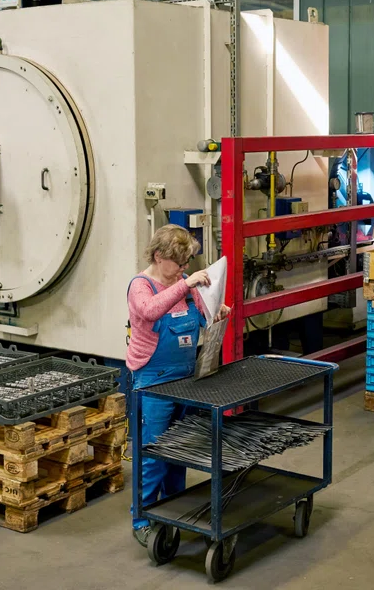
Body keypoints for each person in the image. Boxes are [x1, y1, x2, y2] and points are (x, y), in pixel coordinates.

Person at [127, 224, 230, 547]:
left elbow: (198, 320)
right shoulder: (141, 287)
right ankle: (142, 518)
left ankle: (174, 509)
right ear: (159, 256)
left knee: (179, 451)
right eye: (178, 263)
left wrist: (214, 311)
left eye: (187, 264)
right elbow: (150, 311)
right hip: (153, 381)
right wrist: (186, 283)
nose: (183, 269)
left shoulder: (181, 286)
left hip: (185, 380)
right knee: (153, 453)